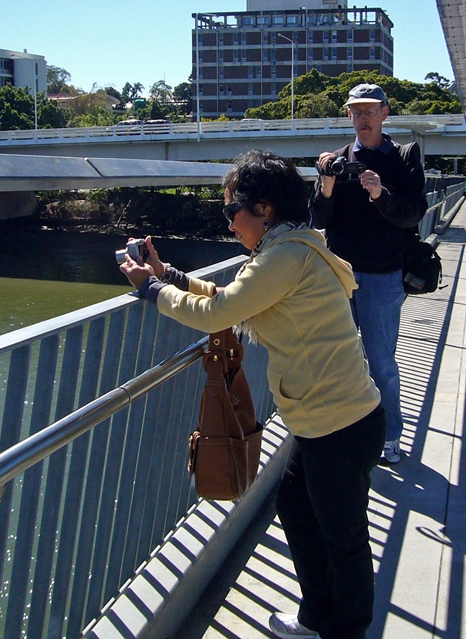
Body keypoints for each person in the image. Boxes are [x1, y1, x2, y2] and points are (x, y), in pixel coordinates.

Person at [119, 150, 385, 639]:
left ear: (263, 209)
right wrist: (170, 277)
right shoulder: (290, 249)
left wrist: (151, 290)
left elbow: (215, 315)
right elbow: (232, 301)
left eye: (230, 212)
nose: (229, 225)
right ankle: (317, 617)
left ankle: (345, 629)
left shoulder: (285, 257)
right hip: (333, 419)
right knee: (298, 508)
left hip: (337, 424)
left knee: (343, 539)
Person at [311, 83, 428, 467]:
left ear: (384, 113)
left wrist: (381, 194)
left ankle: (390, 436)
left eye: (370, 110)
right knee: (340, 360)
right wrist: (326, 184)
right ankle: (347, 432)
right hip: (340, 276)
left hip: (382, 276)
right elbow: (320, 221)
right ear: (348, 116)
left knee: (381, 362)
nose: (363, 118)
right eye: (356, 111)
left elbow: (413, 213)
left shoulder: (403, 157)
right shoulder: (341, 160)